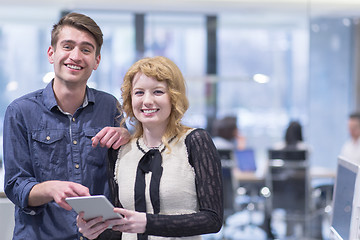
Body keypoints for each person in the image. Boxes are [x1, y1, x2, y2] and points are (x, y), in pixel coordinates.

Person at [3, 12, 130, 239]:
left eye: (86, 49)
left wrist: (128, 137)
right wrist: (51, 189)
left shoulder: (110, 106)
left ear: (97, 61)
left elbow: (125, 174)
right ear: (52, 53)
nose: (76, 56)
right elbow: (15, 185)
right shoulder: (20, 111)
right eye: (68, 46)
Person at [76, 56, 224, 240]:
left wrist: (148, 223)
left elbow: (213, 219)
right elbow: (120, 226)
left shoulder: (195, 141)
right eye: (139, 93)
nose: (147, 101)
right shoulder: (119, 151)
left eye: (158, 92)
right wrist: (94, 232)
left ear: (174, 96)